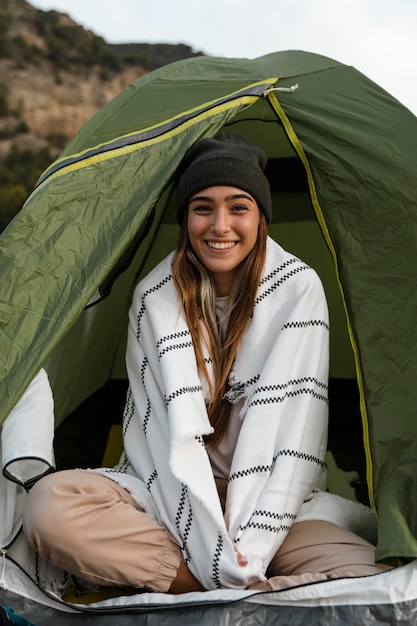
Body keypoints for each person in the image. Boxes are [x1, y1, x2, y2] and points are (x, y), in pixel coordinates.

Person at [22, 132, 391, 594]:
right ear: (185, 218)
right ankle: (228, 592)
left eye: (239, 207)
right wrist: (214, 553)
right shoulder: (153, 300)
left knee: (387, 578)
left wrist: (250, 549)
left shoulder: (299, 290)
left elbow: (296, 443)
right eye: (203, 208)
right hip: (166, 500)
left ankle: (216, 587)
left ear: (260, 217)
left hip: (276, 508)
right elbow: (155, 443)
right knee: (49, 508)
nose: (220, 226)